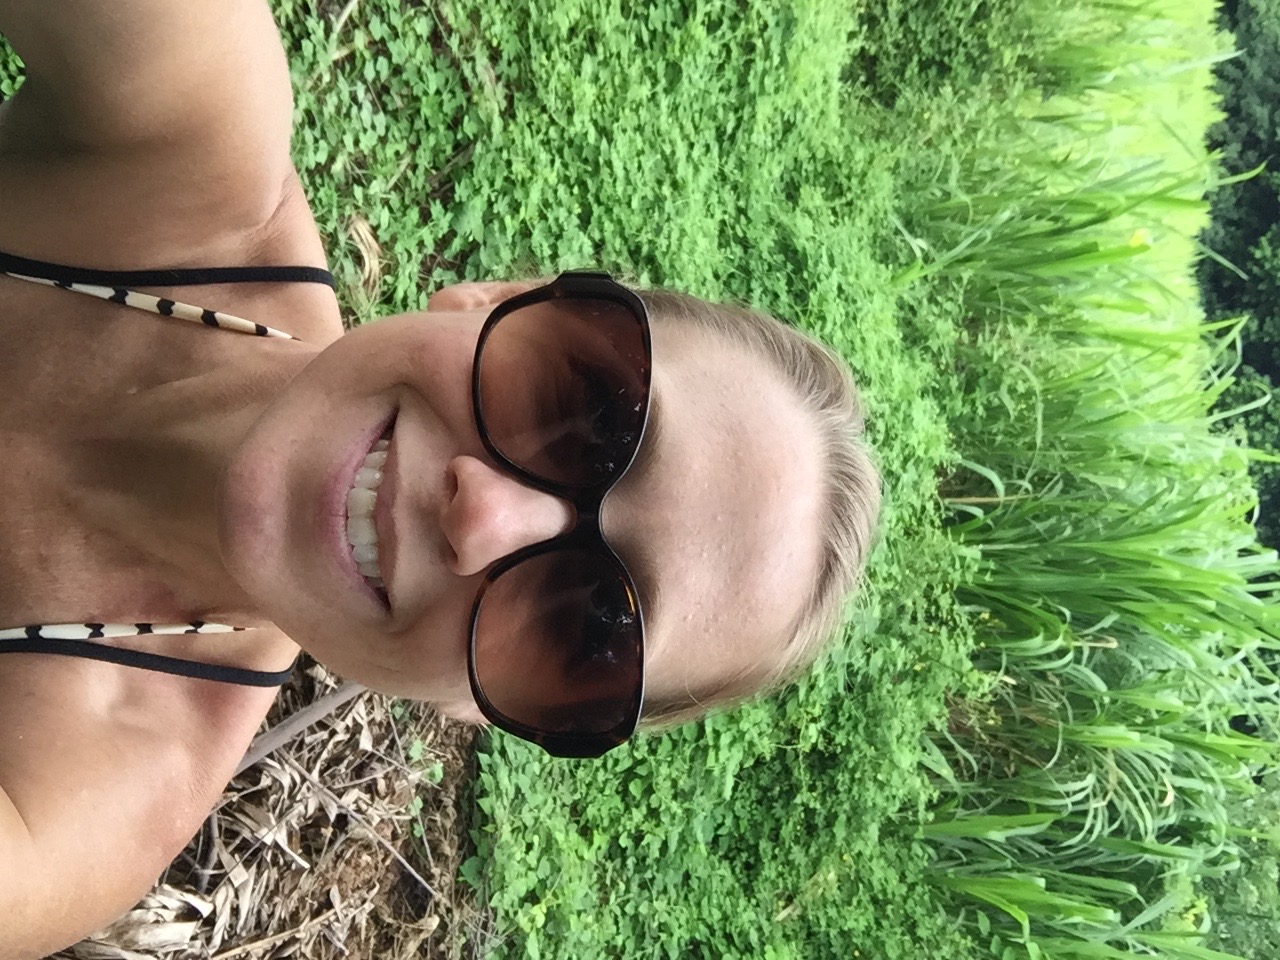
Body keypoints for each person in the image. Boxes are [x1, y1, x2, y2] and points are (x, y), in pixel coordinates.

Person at [0, 2, 880, 956]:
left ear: (476, 706)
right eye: (584, 404)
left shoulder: (65, 805)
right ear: (498, 301)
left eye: (586, 626)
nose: (488, 516)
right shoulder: (186, 147)